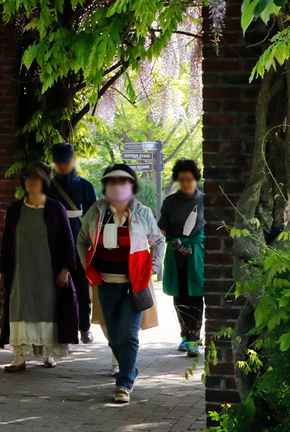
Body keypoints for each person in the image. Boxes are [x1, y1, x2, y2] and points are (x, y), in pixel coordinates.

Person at [76, 164, 165, 403]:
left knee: (127, 334)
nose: (116, 187)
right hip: (104, 283)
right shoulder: (95, 212)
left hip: (134, 286)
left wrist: (153, 268)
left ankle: (124, 383)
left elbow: (158, 241)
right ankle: (130, 369)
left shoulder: (142, 212)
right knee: (113, 336)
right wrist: (89, 269)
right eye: (111, 182)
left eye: (122, 182)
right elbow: (82, 241)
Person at [0, 164, 79, 371]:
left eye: (37, 178)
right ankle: (18, 358)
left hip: (47, 271)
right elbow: (6, 241)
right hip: (20, 272)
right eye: (28, 178)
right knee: (19, 308)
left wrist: (65, 270)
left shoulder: (55, 209)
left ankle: (48, 355)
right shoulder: (15, 209)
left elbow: (67, 241)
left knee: (47, 308)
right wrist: (2, 270)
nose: (32, 182)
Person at [49, 142, 98, 343]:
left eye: (66, 162)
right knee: (58, 289)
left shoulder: (86, 186)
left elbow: (94, 216)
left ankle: (84, 325)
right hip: (55, 245)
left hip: (80, 245)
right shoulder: (48, 185)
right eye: (59, 162)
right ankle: (63, 332)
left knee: (81, 288)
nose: (63, 166)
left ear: (73, 160)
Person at [159, 159, 205, 357]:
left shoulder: (204, 200)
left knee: (196, 294)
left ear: (196, 178)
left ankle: (195, 338)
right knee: (180, 296)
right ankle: (185, 336)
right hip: (176, 253)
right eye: (182, 179)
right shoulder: (170, 201)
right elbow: (162, 228)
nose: (186, 183)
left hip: (197, 254)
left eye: (190, 179)